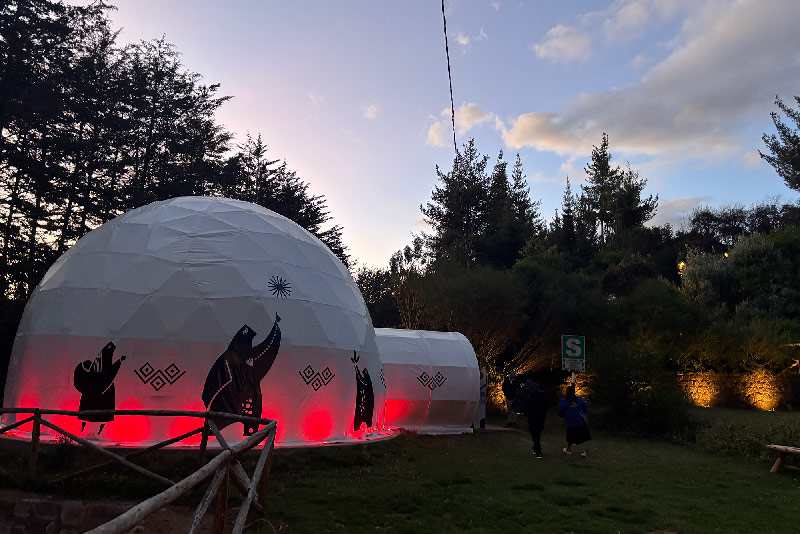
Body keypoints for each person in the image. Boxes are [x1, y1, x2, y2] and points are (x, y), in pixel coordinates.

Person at [557, 384, 590, 457]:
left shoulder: (564, 400)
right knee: (581, 437)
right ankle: (582, 451)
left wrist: (564, 416)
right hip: (579, 421)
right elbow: (585, 406)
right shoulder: (579, 399)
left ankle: (569, 449)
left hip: (570, 422)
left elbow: (560, 410)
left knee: (570, 437)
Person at [521, 380, 548, 458]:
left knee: (534, 432)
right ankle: (536, 447)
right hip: (540, 417)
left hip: (533, 416)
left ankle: (537, 449)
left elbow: (527, 406)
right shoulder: (543, 396)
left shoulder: (531, 396)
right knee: (537, 432)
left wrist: (526, 413)